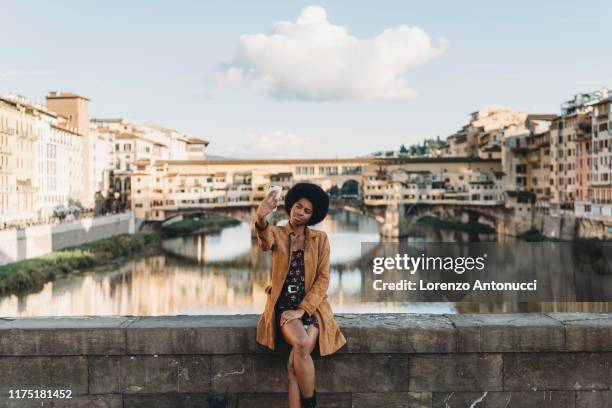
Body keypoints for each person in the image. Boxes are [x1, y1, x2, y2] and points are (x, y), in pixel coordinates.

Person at [253, 182, 347, 408]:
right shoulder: (277, 233)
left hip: (311, 308)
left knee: (294, 365)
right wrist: (260, 218)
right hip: (285, 306)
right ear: (291, 206)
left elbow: (323, 279)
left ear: (313, 216)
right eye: (298, 207)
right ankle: (312, 403)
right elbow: (265, 243)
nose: (301, 213)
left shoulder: (320, 239)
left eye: (307, 211)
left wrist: (302, 310)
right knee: (303, 345)